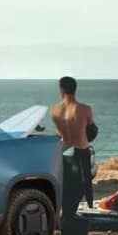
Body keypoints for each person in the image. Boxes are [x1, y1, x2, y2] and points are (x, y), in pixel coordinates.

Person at [51, 76, 97, 208]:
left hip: (63, 150)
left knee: (66, 185)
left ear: (61, 90)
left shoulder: (54, 110)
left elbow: (59, 134)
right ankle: (88, 206)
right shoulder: (85, 109)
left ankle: (66, 212)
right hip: (81, 149)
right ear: (75, 89)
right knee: (84, 183)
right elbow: (91, 129)